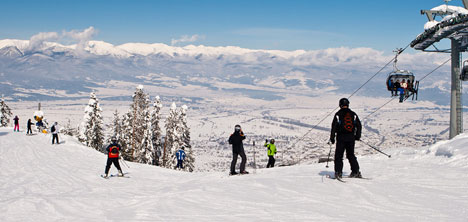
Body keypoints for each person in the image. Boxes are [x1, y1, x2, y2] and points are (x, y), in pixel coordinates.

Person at [329, 98, 362, 179]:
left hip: (341, 138)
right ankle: (356, 171)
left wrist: (332, 138)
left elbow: (333, 127)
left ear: (340, 105)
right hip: (351, 138)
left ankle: (338, 172)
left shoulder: (338, 114)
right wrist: (357, 136)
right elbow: (359, 125)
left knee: (339, 156)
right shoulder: (353, 114)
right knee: (351, 155)